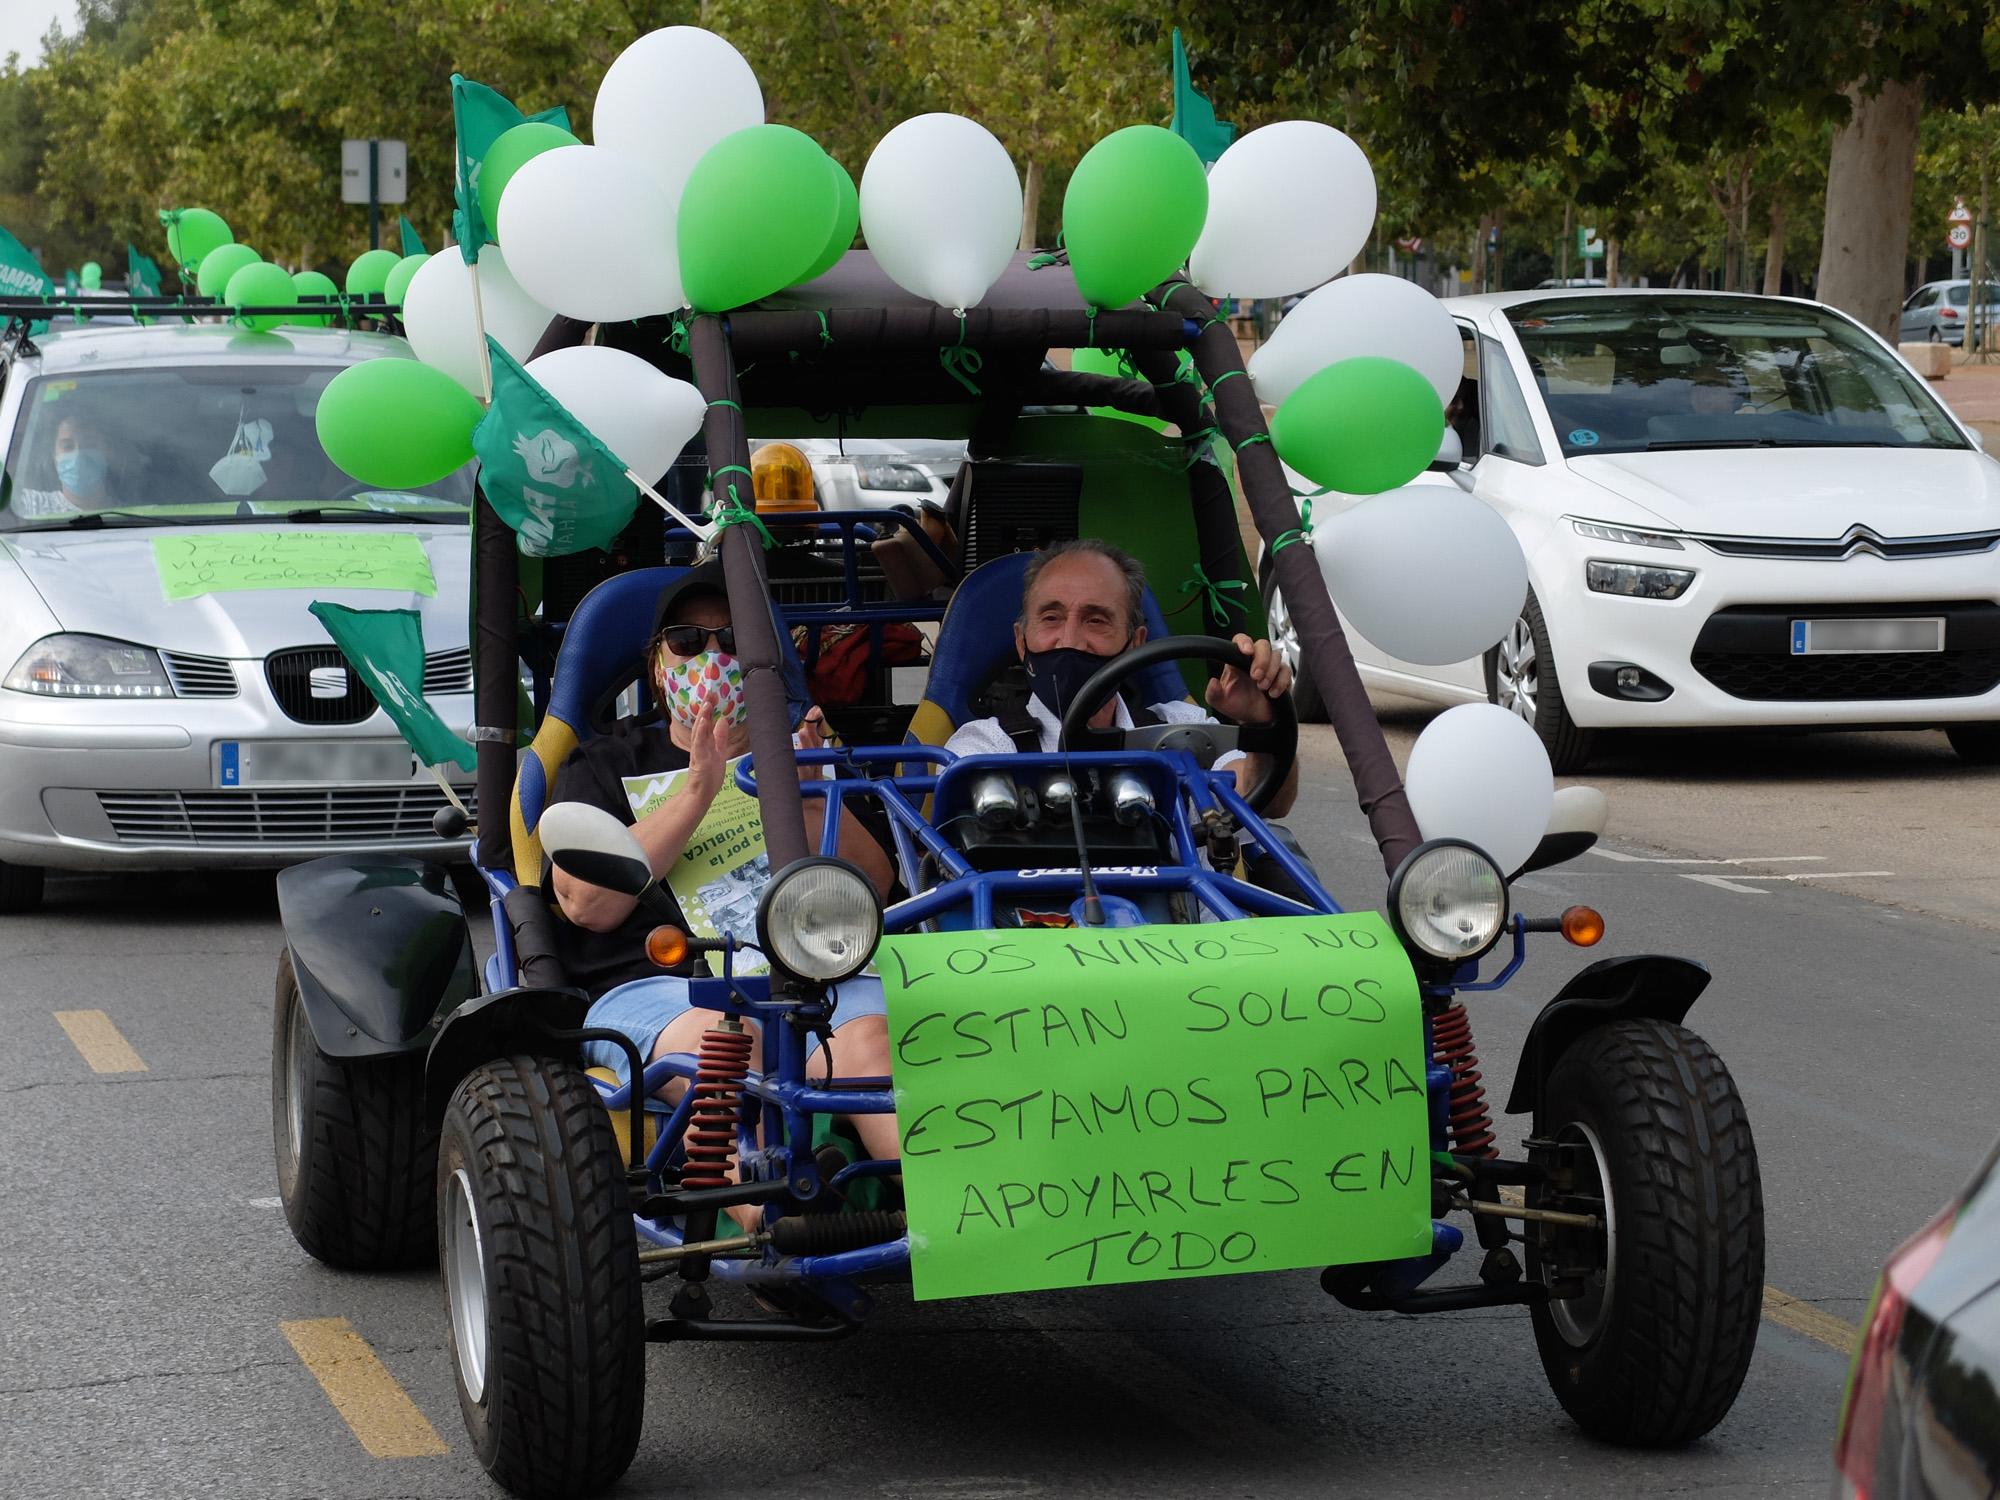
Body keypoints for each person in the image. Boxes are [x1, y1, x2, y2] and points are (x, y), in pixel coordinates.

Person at [547, 563, 901, 1198]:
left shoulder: (808, 753)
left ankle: (941, 1219)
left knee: (873, 1044)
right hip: (663, 987)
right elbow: (586, 905)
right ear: (659, 664)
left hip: (817, 974)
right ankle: (770, 1218)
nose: (712, 656)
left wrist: (814, 799)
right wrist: (698, 792)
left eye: (734, 641)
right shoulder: (606, 762)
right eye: (688, 641)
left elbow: (875, 888)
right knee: (724, 1049)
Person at [944, 537, 1299, 815]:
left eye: (1095, 620)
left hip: (1185, 909)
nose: (1070, 640)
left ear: (1137, 643)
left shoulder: (1180, 730)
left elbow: (1266, 800)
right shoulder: (984, 746)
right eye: (1051, 618)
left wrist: (1261, 723)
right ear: (1022, 642)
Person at [9, 411, 111, 519]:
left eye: (89, 445)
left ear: (108, 453)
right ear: (54, 455)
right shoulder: (27, 505)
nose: (78, 455)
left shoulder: (127, 514)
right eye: (67, 446)